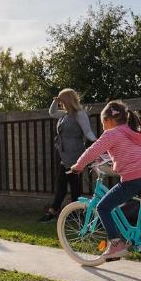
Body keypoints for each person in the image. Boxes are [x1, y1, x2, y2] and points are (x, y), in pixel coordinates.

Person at [71, 100, 141, 259]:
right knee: (135, 203)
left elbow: (93, 150)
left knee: (103, 207)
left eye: (103, 122)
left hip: (134, 179)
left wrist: (78, 166)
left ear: (109, 120)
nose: (103, 126)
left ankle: (117, 245)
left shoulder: (112, 133)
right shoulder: (132, 132)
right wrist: (106, 159)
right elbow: (125, 153)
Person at [39, 89, 98, 222]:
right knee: (67, 182)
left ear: (68, 100)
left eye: (62, 101)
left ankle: (59, 211)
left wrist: (98, 144)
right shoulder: (65, 114)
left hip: (75, 152)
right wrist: (55, 100)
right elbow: (52, 112)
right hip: (64, 152)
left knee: (68, 182)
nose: (61, 104)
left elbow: (88, 132)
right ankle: (72, 212)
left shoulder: (80, 114)